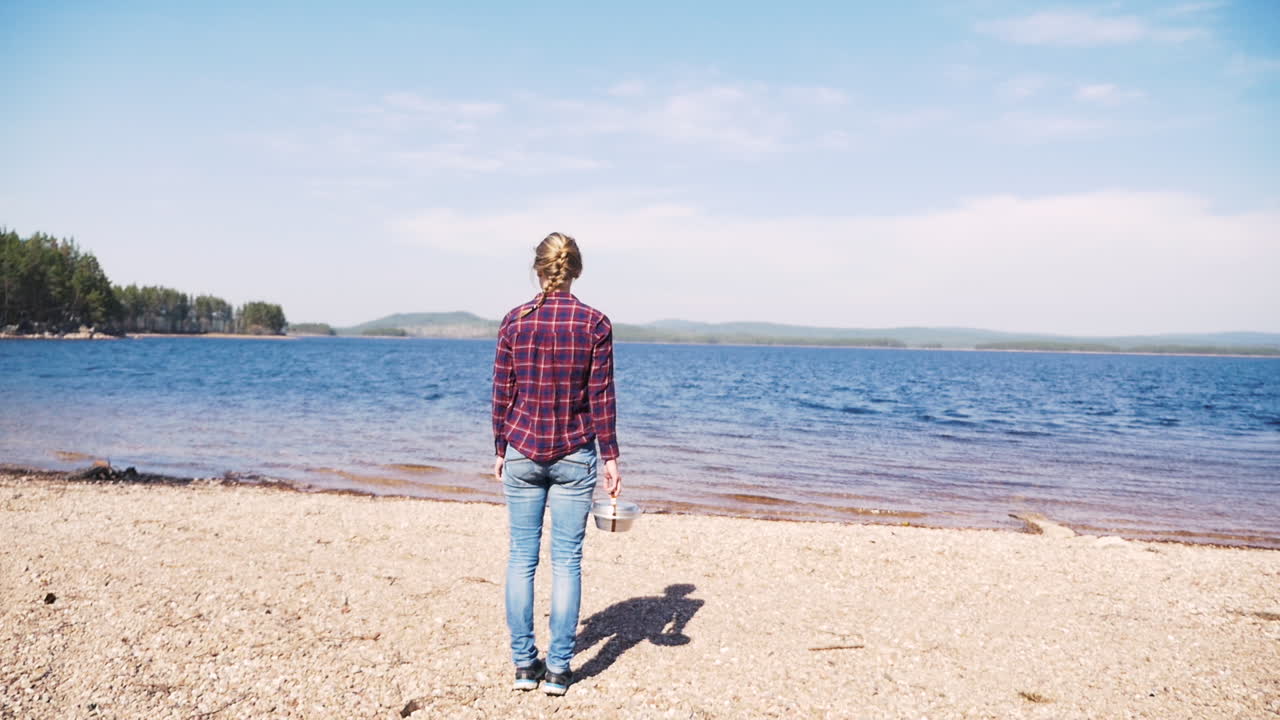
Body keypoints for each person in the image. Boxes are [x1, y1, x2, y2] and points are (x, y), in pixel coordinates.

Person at [491, 232, 622, 697]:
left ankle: (525, 666)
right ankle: (560, 670)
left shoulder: (514, 321)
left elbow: (502, 393)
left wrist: (500, 448)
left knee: (520, 559)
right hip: (574, 453)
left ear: (539, 269)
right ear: (576, 270)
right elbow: (601, 396)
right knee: (567, 562)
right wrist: (611, 456)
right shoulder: (595, 322)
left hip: (523, 449)